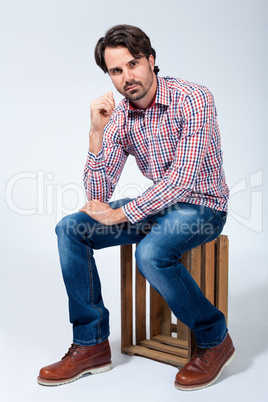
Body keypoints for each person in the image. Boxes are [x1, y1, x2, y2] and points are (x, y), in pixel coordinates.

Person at [37, 24, 235, 391]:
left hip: (204, 208)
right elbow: (98, 196)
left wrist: (120, 214)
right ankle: (91, 343)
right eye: (116, 70)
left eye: (133, 64)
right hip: (158, 210)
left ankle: (214, 337)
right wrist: (96, 134)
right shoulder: (120, 116)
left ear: (151, 61)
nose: (127, 77)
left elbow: (182, 179)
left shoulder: (193, 98)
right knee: (71, 228)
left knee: (151, 253)